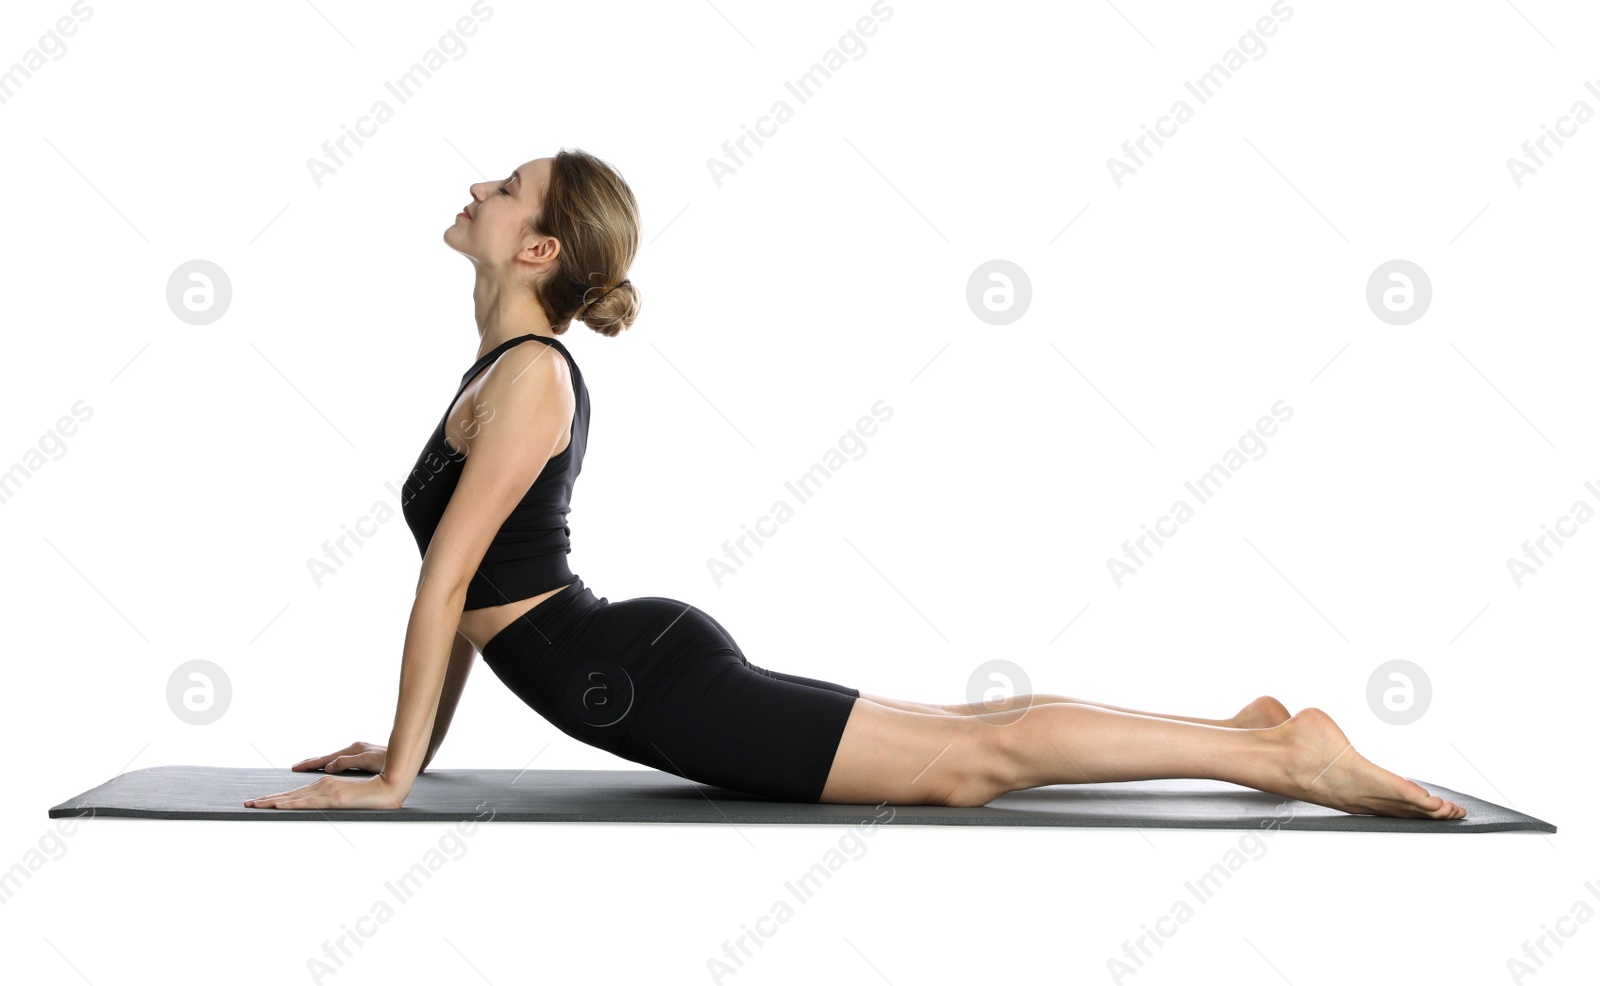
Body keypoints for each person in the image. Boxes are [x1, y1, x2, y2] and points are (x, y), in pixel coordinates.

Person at [245, 149, 1465, 821]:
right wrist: (409, 744)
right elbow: (461, 590)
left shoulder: (530, 378)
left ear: (539, 248)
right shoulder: (503, 366)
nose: (478, 183)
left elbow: (451, 576)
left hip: (635, 677)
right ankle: (1242, 731)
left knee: (966, 766)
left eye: (505, 187)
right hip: (629, 658)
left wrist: (404, 774)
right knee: (966, 730)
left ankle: (1286, 760)